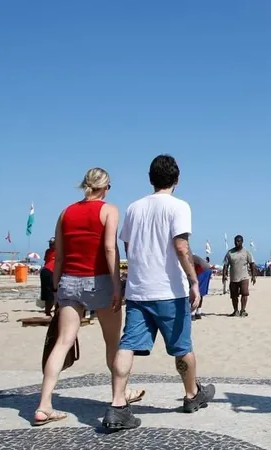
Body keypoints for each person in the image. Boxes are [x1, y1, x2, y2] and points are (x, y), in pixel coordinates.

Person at [102, 154, 215, 431]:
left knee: (127, 345)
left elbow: (129, 247)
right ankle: (191, 395)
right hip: (169, 290)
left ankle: (117, 404)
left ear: (151, 179)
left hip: (140, 291)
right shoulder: (179, 207)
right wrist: (193, 281)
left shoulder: (134, 208)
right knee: (182, 346)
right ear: (176, 180)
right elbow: (180, 246)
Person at [33, 168, 145, 427]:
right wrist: (117, 285)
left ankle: (44, 405)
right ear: (106, 187)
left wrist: (56, 289)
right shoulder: (109, 210)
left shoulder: (66, 212)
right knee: (113, 343)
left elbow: (59, 255)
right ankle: (120, 396)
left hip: (69, 282)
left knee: (62, 343)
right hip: (99, 281)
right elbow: (109, 248)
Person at [222, 235, 256, 317]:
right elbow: (225, 265)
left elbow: (252, 264)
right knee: (234, 296)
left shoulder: (246, 252)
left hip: (244, 277)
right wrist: (224, 275)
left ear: (242, 242)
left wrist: (253, 276)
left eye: (238, 241)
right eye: (235, 241)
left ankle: (243, 310)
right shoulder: (230, 253)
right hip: (233, 278)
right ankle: (235, 311)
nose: (236, 243)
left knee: (244, 293)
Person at [191, 254, 212, 320]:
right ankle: (198, 313)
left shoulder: (185, 256)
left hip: (202, 271)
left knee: (196, 291)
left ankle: (193, 313)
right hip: (206, 270)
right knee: (200, 292)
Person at [40, 238, 56, 316]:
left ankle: (49, 311)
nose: (50, 245)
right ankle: (48, 312)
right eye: (50, 243)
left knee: (50, 292)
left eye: (51, 243)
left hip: (48, 270)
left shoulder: (57, 250)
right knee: (51, 293)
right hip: (49, 271)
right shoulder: (49, 251)